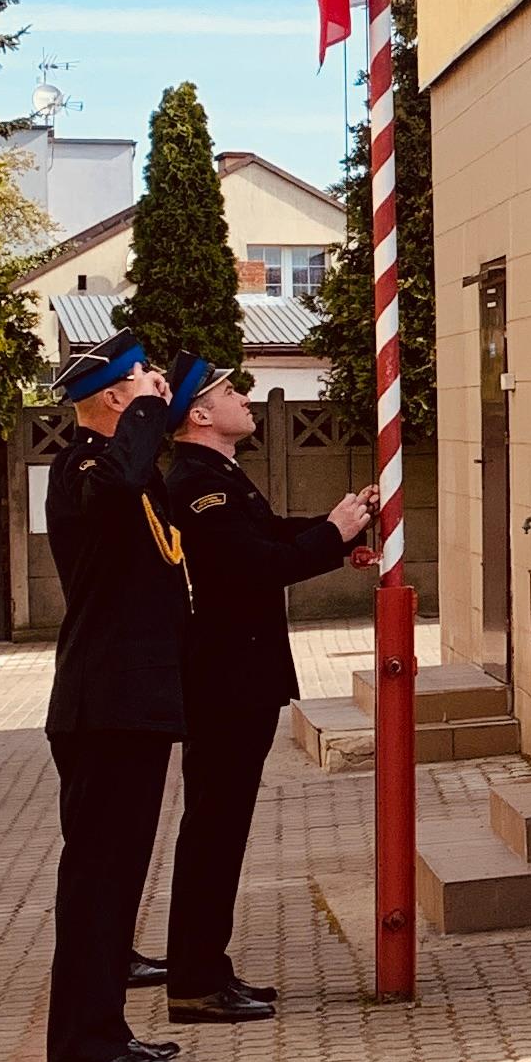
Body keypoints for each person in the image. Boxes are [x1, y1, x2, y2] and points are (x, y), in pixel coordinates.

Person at [156, 359, 375, 1023]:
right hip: (225, 684)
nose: (243, 397)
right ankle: (195, 979)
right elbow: (254, 564)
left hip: (237, 680)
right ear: (199, 415)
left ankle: (205, 969)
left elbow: (271, 532)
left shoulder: (217, 475)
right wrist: (332, 534)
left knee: (220, 829)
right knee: (214, 831)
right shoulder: (197, 485)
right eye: (228, 391)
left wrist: (338, 529)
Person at [43, 335, 190, 1062]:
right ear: (109, 398)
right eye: (139, 378)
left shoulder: (123, 469)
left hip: (130, 706)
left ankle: (106, 1030)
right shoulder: (82, 469)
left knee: (118, 880)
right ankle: (82, 1046)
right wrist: (143, 413)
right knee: (97, 882)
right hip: (101, 707)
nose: (154, 385)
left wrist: (162, 399)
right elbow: (120, 479)